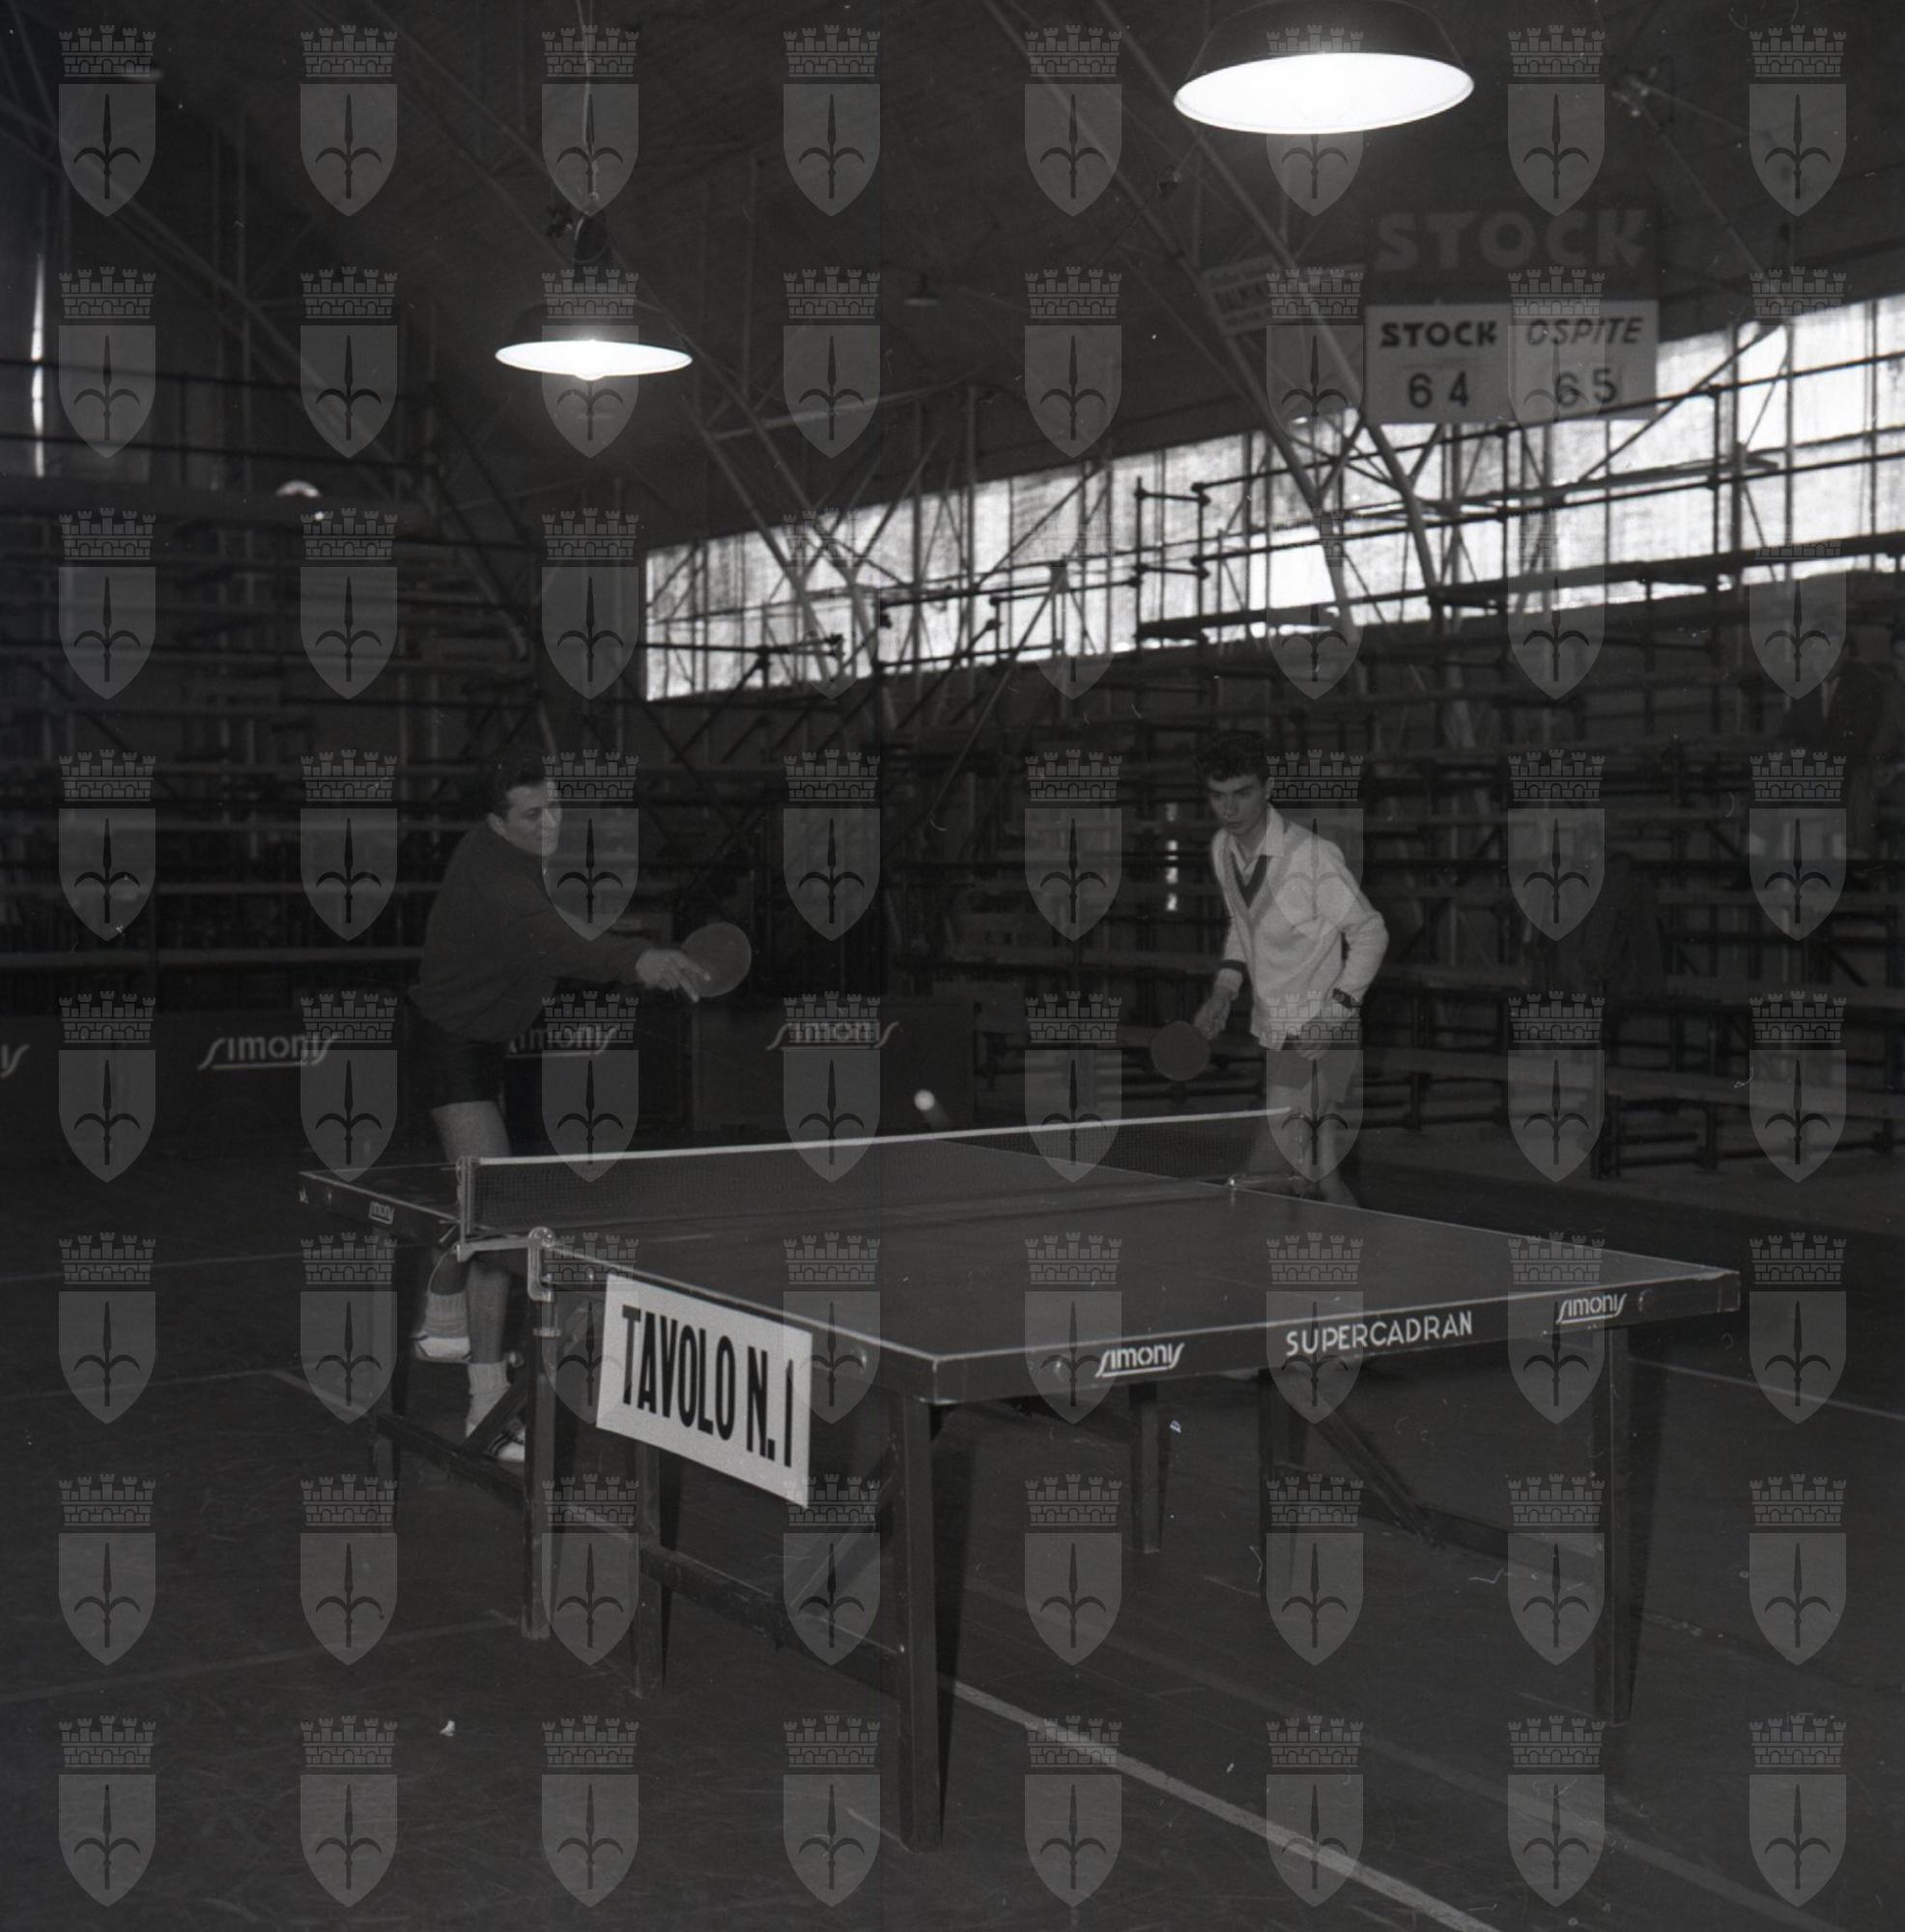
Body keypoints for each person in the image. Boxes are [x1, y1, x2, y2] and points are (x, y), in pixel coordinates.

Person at [407, 750, 710, 1461]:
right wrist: (639, 960)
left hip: (489, 1041)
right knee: (498, 1217)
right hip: (450, 1046)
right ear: (495, 822)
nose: (550, 824)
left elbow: (558, 922)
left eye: (555, 808)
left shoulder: (511, 854)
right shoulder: (495, 879)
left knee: (483, 1201)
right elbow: (552, 942)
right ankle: (486, 1406)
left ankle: (441, 1312)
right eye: (532, 814)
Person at [1189, 731, 1387, 1204]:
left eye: (1242, 793)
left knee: (1267, 1175)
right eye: (1218, 796)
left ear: (1269, 787)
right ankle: (1347, 1244)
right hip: (1277, 1028)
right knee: (1319, 1175)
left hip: (1322, 1032)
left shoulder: (1310, 857)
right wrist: (1224, 989)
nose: (1229, 809)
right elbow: (1242, 924)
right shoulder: (1222, 848)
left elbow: (1371, 931)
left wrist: (1335, 1015)